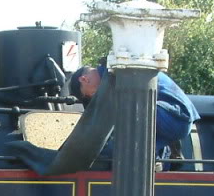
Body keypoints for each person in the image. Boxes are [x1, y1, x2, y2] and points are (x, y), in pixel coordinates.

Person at [67, 64, 200, 159]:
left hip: (175, 116)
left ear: (84, 79)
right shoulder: (113, 73)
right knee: (134, 154)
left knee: (124, 143)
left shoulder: (115, 73)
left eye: (86, 95)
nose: (91, 97)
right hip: (175, 120)